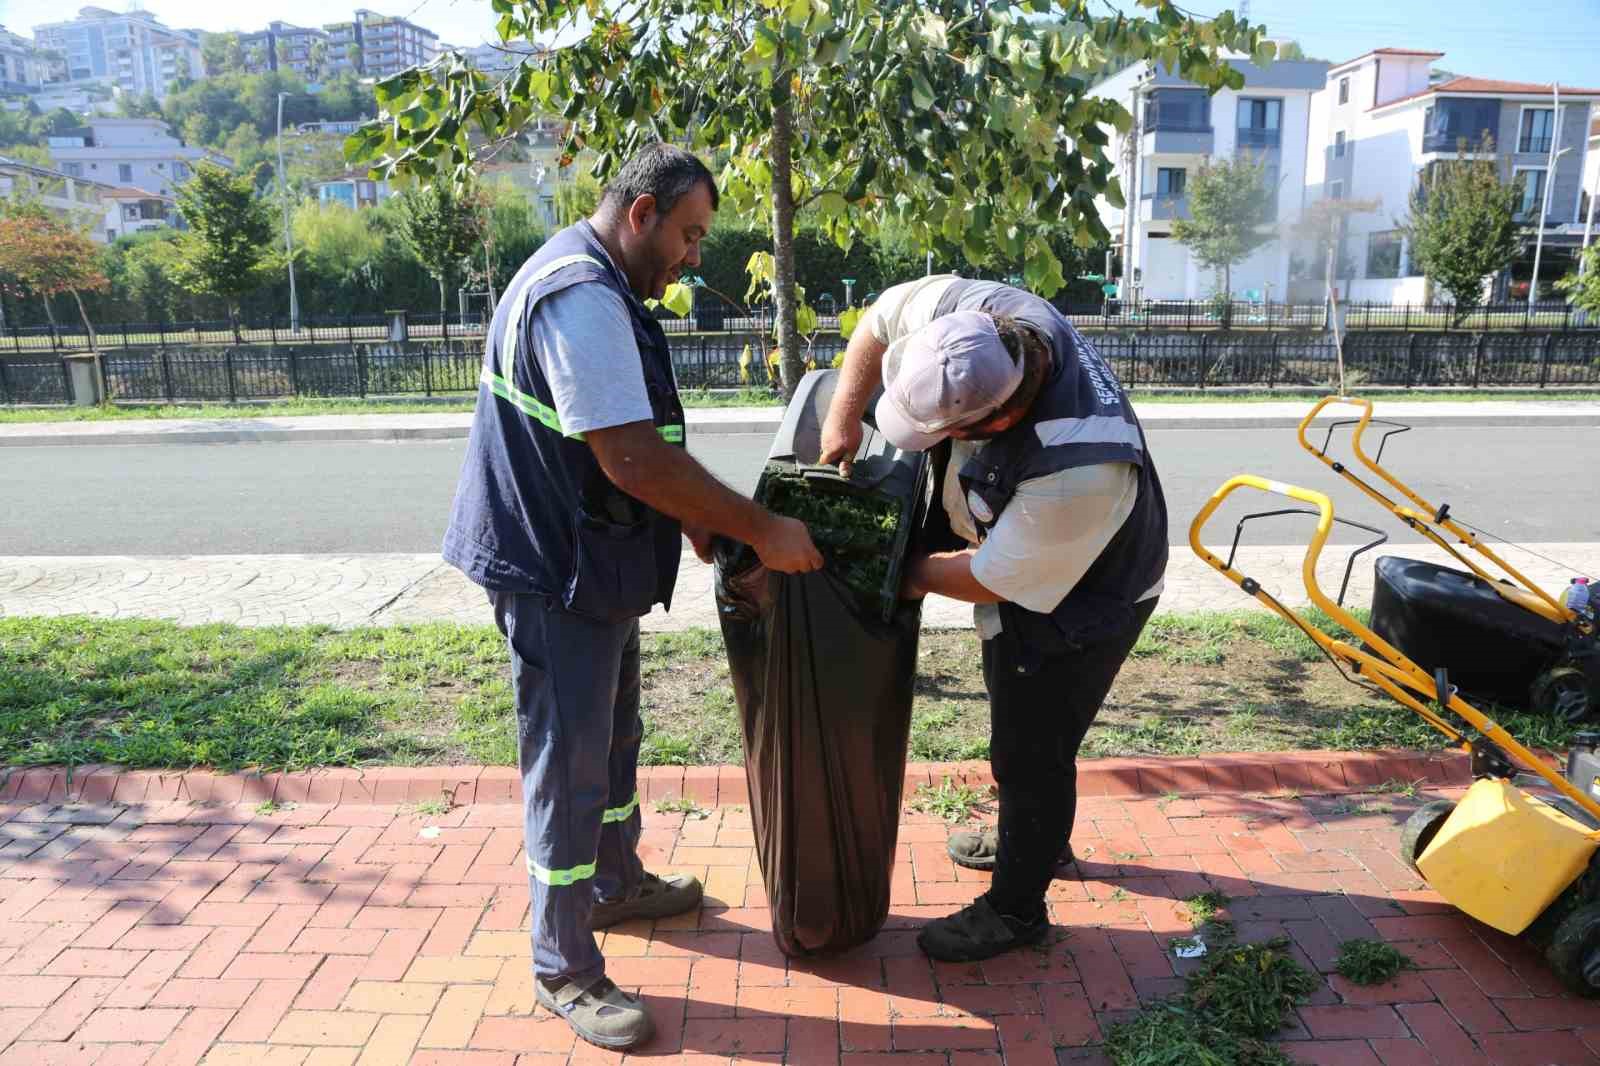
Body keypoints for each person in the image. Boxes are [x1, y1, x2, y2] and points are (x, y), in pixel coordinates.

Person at [442, 143, 823, 1050]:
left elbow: (631, 450)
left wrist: (695, 521)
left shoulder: (602, 279)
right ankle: (564, 964)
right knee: (568, 771)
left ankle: (614, 886)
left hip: (593, 561)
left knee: (613, 739)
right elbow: (631, 454)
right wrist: (759, 530)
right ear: (642, 212)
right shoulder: (580, 294)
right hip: (553, 571)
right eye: (689, 234)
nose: (696, 255)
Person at [818, 275, 1168, 963]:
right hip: (1028, 552)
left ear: (997, 422)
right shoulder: (971, 319)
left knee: (1031, 746)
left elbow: (986, 578)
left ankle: (1017, 909)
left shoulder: (1078, 468)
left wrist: (886, 568)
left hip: (1088, 594)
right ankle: (1032, 837)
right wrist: (842, 419)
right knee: (1028, 746)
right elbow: (878, 322)